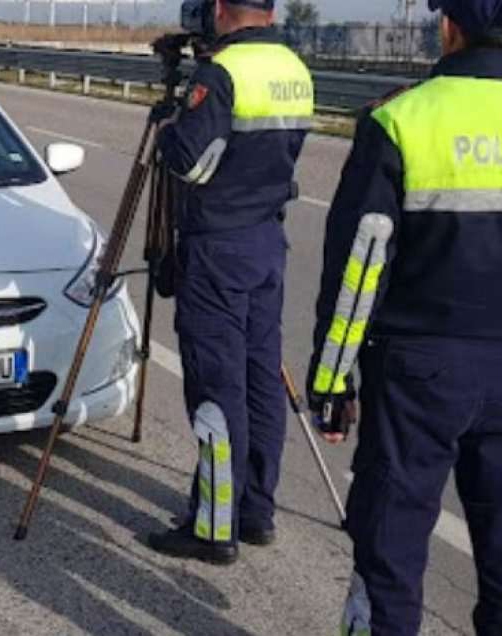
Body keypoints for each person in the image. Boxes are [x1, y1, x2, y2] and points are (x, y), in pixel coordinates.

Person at [306, 0, 502, 633]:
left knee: (389, 562)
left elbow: (360, 267)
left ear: (446, 26)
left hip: (415, 373)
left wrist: (332, 381)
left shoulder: (399, 121)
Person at [149, 0, 314, 565]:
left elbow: (190, 162)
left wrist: (172, 125)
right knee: (260, 378)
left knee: (217, 390)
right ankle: (255, 510)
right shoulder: (295, 68)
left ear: (220, 8)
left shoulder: (222, 73)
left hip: (218, 244)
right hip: (267, 239)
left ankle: (212, 527)